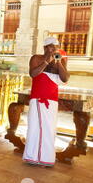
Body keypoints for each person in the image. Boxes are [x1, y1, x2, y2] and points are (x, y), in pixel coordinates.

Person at [23, 37, 69, 167]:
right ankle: (32, 156)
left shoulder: (61, 60)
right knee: (34, 127)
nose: (54, 48)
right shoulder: (36, 58)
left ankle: (46, 158)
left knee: (49, 128)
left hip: (52, 100)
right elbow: (33, 74)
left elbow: (65, 77)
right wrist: (46, 62)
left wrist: (58, 62)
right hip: (38, 98)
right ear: (45, 47)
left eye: (56, 46)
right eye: (51, 46)